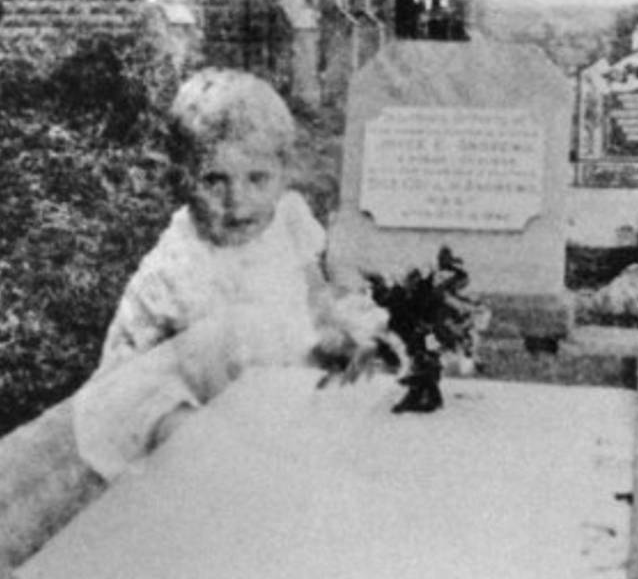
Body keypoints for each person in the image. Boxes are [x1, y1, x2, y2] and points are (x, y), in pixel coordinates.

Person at [73, 68, 396, 480]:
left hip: (267, 381)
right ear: (183, 179)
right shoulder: (182, 264)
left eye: (257, 179)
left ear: (282, 173)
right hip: (173, 391)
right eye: (214, 180)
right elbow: (206, 360)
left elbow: (314, 290)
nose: (237, 201)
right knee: (192, 439)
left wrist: (335, 324)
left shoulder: (287, 221)